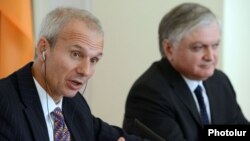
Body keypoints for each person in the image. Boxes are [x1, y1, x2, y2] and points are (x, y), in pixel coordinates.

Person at [0, 7, 149, 141]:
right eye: (76, 54)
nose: (86, 71)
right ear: (43, 49)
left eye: (94, 59)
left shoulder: (75, 104)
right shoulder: (5, 104)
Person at [123, 2, 249, 141]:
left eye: (215, 45)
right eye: (199, 47)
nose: (210, 56)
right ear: (169, 48)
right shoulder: (149, 93)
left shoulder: (219, 81)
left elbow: (239, 132)